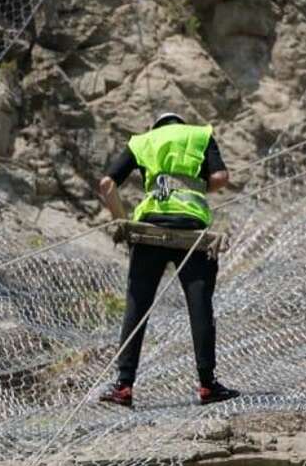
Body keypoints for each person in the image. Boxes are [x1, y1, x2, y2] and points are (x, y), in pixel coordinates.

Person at [94, 111, 241, 407]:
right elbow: (221, 178)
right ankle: (207, 385)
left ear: (157, 126)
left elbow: (107, 184)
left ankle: (124, 386)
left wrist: (122, 222)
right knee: (199, 305)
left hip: (150, 230)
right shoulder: (199, 136)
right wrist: (197, 187)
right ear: (181, 124)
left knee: (137, 304)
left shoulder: (142, 141)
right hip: (191, 232)